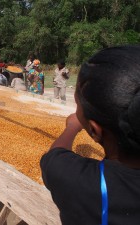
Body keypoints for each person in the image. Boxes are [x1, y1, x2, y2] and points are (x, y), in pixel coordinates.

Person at [40, 45, 140, 225]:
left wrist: (72, 127)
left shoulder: (82, 182)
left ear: (95, 131)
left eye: (78, 106)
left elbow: (53, 158)